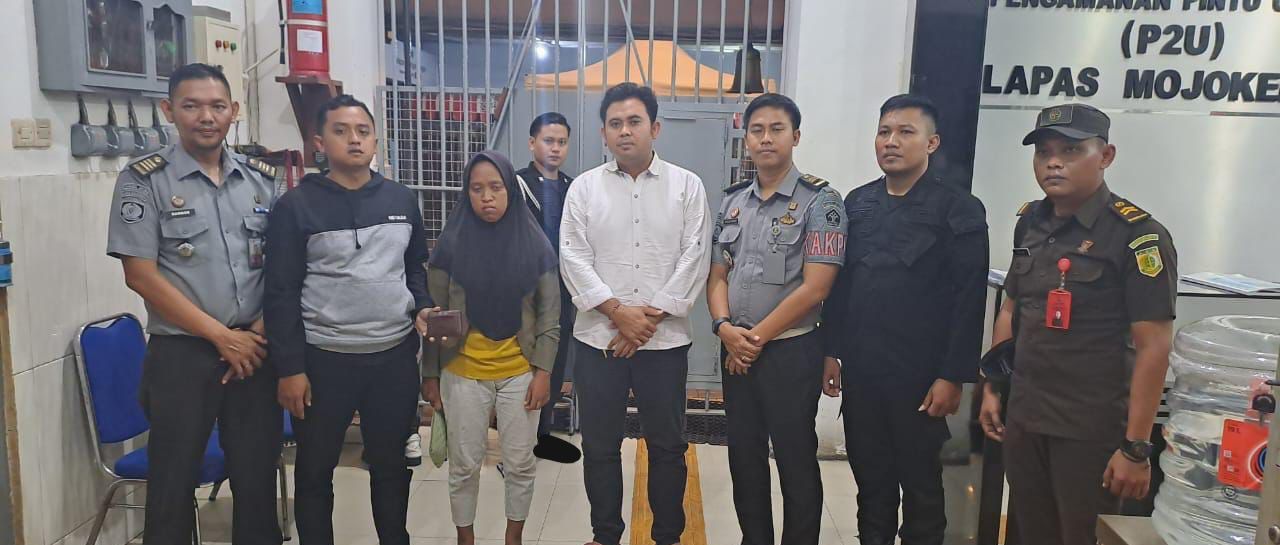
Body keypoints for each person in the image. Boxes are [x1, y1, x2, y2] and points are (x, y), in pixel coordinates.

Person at [979, 103, 1176, 545]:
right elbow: (1012, 307)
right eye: (1044, 152)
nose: (1053, 162)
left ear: (1105, 156)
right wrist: (993, 386)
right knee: (1031, 533)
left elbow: (1154, 347)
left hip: (1090, 431)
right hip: (1026, 419)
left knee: (1083, 536)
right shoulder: (1030, 222)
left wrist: (1136, 447)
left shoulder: (1137, 236)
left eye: (1070, 150)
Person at [106, 62, 283, 545]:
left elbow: (285, 266)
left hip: (255, 350)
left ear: (234, 111)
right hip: (183, 356)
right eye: (192, 106)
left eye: (217, 106)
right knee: (172, 485)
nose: (206, 116)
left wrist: (257, 331)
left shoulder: (262, 179)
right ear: (169, 110)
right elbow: (140, 274)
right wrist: (221, 337)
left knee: (257, 482)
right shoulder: (144, 180)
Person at [263, 94, 434, 545]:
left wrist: (422, 305)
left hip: (392, 359)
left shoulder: (401, 199)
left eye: (363, 131)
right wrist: (290, 368)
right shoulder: (296, 207)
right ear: (320, 142)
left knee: (391, 466)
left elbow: (414, 266)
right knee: (315, 470)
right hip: (323, 360)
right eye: (341, 131)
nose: (354, 140)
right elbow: (280, 293)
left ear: (376, 140)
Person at [821, 94, 989, 545]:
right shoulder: (858, 203)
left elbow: (968, 300)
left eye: (905, 132)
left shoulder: (959, 208)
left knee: (921, 490)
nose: (891, 141)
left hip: (921, 379)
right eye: (884, 132)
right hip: (864, 373)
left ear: (932, 143)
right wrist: (831, 350)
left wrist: (952, 376)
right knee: (871, 485)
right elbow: (841, 286)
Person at [560, 82, 711, 545]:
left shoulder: (687, 186)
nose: (624, 131)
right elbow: (572, 256)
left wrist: (645, 320)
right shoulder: (584, 188)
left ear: (655, 128)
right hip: (598, 341)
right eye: (615, 123)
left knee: (667, 446)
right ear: (603, 133)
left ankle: (667, 536)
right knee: (600, 446)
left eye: (634, 121)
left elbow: (695, 256)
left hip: (664, 344)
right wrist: (617, 312)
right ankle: (605, 534)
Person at [706, 93, 846, 545]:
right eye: (757, 130)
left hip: (790, 352)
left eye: (777, 129)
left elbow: (816, 287)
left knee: (794, 459)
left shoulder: (821, 202)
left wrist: (754, 339)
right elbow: (717, 274)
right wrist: (725, 329)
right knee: (744, 458)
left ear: (796, 136)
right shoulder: (732, 203)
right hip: (735, 350)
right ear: (746, 138)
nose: (766, 138)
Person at [420, 150, 559, 545]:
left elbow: (550, 316)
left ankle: (513, 537)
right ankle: (466, 538)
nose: (487, 197)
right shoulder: (450, 245)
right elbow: (433, 318)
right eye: (477, 188)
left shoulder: (535, 245)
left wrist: (544, 372)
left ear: (510, 190)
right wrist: (430, 375)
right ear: (466, 193)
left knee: (520, 463)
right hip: (461, 371)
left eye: (496, 187)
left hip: (520, 372)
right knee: (464, 466)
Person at [514, 112, 582, 463]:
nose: (555, 148)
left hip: (564, 291)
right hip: (525, 293)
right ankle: (516, 447)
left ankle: (541, 436)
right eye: (548, 141)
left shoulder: (573, 187)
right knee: (524, 365)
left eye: (562, 142)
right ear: (532, 143)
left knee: (554, 363)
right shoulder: (515, 184)